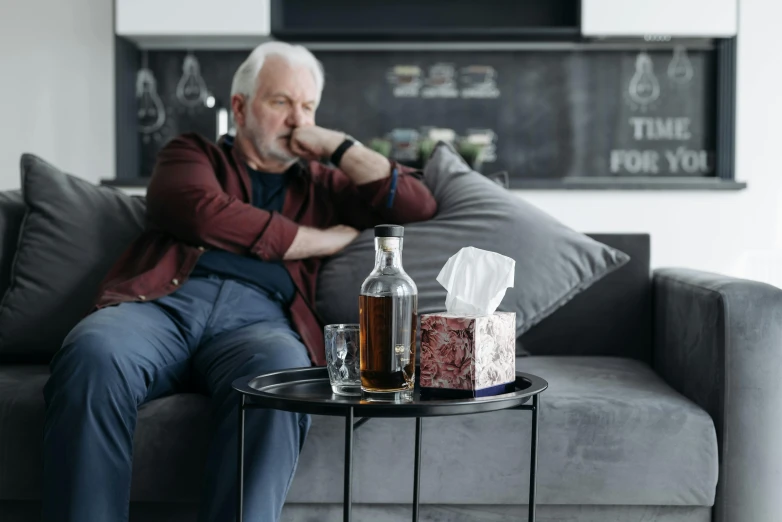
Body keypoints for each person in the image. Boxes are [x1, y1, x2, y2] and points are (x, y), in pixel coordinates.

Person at [41, 41, 437, 522]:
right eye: (281, 102)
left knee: (282, 376)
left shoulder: (323, 182)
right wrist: (323, 241)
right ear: (240, 107)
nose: (298, 120)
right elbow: (204, 216)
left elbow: (416, 205)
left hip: (260, 320)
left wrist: (337, 146)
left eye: (308, 106)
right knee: (93, 352)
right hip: (163, 303)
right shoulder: (191, 153)